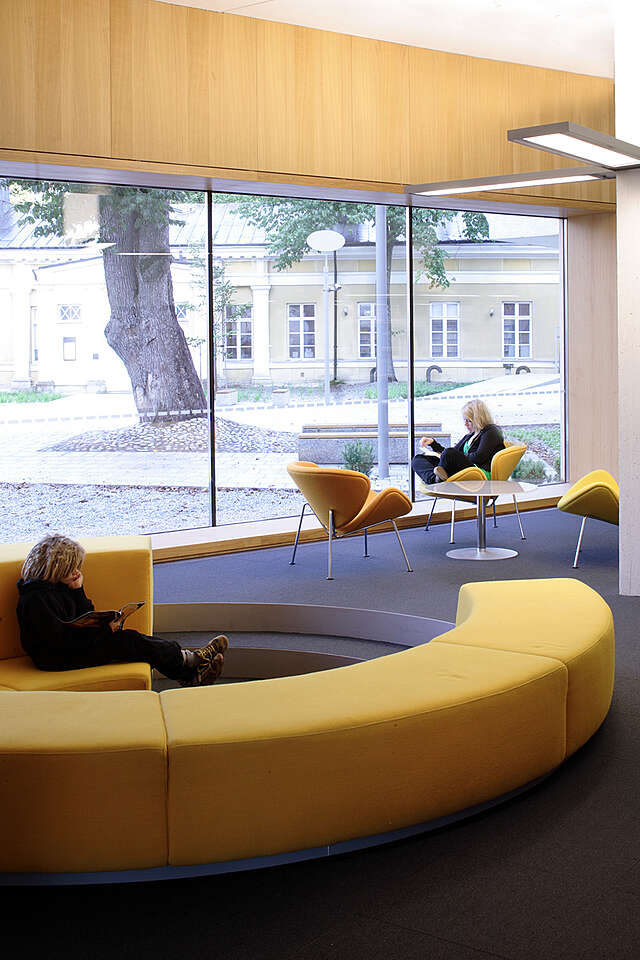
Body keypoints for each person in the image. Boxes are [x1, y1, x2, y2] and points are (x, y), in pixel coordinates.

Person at [16, 534, 228, 687]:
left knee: (132, 639)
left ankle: (188, 669)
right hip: (56, 659)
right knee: (129, 641)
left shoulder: (61, 586)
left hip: (70, 649)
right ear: (56, 568)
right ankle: (191, 664)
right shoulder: (35, 599)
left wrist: (78, 590)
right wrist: (105, 632)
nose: (77, 572)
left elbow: (84, 615)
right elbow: (58, 643)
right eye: (71, 568)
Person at [412, 398, 505, 486]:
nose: (465, 424)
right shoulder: (470, 435)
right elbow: (451, 452)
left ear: (478, 419)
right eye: (464, 420)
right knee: (418, 459)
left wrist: (458, 455)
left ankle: (438, 479)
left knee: (449, 454)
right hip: (463, 467)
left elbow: (479, 457)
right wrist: (433, 443)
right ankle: (435, 479)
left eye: (469, 420)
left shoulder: (491, 431)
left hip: (478, 472)